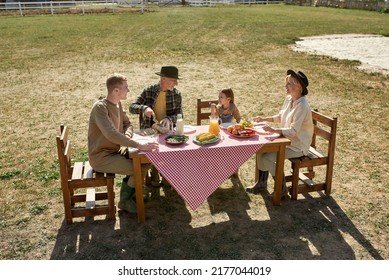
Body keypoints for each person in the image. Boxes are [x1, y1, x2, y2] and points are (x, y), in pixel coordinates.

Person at [88, 73, 158, 213]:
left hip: (114, 151)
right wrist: (138, 145)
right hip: (101, 157)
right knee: (137, 168)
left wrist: (126, 136)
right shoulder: (100, 108)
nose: (129, 90)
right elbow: (111, 134)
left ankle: (132, 194)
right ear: (116, 90)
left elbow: (128, 124)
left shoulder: (117, 104)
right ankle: (125, 201)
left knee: (147, 161)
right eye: (126, 87)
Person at [246, 69, 314, 198]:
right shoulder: (289, 99)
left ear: (298, 87)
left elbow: (293, 131)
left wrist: (274, 130)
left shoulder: (303, 106)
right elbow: (280, 116)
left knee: (268, 158)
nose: (286, 87)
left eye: (289, 84)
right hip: (285, 140)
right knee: (260, 150)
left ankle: (281, 189)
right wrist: (264, 119)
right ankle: (261, 183)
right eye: (286, 84)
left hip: (297, 146)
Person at [129, 66, 183, 187]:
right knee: (152, 149)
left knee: (175, 148)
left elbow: (180, 115)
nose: (176, 83)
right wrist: (144, 108)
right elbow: (132, 107)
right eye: (173, 80)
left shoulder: (177, 94)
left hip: (167, 132)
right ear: (163, 79)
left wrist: (169, 119)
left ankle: (167, 176)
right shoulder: (149, 91)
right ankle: (154, 175)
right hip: (149, 132)